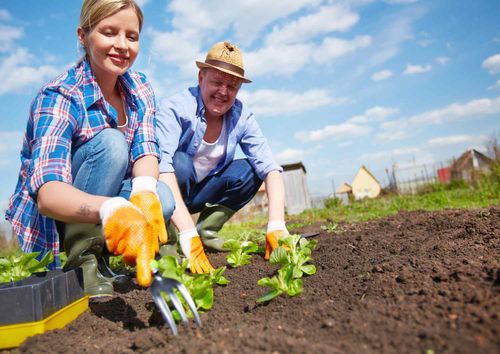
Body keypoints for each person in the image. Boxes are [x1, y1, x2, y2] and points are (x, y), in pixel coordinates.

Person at [5, 0, 174, 297]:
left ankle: (108, 253)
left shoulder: (139, 87)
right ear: (83, 36)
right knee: (112, 144)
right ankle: (81, 257)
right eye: (109, 32)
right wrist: (112, 208)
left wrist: (144, 191)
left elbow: (146, 148)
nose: (122, 45)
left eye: (131, 37)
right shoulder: (60, 95)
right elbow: (47, 194)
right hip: (56, 218)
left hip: (98, 203)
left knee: (162, 196)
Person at [156, 41, 289, 273]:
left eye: (232, 86)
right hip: (170, 191)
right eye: (217, 82)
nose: (223, 92)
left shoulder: (241, 116)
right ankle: (167, 239)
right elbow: (161, 168)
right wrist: (186, 233)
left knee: (250, 170)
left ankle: (206, 232)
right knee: (180, 162)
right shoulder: (175, 108)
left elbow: (270, 168)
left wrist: (276, 225)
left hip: (202, 191)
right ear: (201, 77)